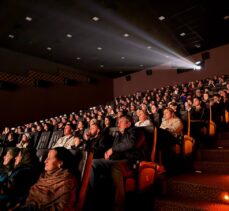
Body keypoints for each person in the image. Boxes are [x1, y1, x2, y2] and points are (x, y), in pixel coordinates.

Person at [89, 115, 145, 211]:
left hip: (131, 160)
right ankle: (92, 198)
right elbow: (115, 150)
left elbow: (130, 144)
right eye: (118, 122)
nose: (118, 124)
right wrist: (108, 155)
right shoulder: (119, 134)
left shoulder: (135, 131)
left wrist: (112, 149)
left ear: (128, 124)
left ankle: (119, 205)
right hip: (117, 159)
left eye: (121, 122)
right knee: (93, 163)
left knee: (115, 167)